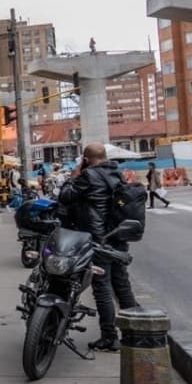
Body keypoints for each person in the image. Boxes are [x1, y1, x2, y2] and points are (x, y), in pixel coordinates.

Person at [58, 143, 138, 353]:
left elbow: (65, 197)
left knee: (102, 288)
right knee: (121, 285)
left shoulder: (87, 177)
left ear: (85, 159)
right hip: (118, 237)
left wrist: (74, 176)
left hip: (98, 239)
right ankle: (135, 332)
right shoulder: (117, 174)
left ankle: (109, 337)